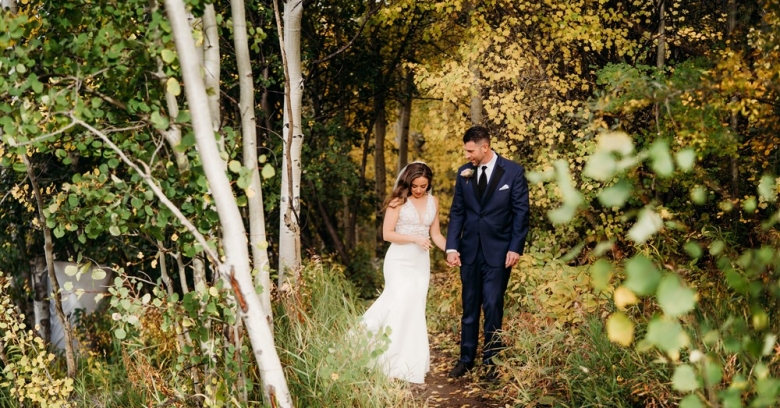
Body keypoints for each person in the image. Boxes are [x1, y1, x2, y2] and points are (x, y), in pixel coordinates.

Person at [445, 125, 530, 381]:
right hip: (469, 251)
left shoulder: (513, 172)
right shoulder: (464, 173)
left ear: (485, 147)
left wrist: (515, 247)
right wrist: (452, 247)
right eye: (465, 151)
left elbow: (521, 213)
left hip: (499, 252)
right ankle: (466, 359)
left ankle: (492, 362)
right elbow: (457, 211)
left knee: (493, 304)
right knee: (469, 306)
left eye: (470, 151)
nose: (467, 155)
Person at [360, 161, 447, 384]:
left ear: (429, 184)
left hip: (420, 262)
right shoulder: (397, 202)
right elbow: (387, 234)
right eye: (415, 186)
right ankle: (385, 361)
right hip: (399, 260)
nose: (418, 190)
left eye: (423, 186)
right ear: (407, 182)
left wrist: (452, 251)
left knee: (414, 307)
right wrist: (415, 238)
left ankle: (408, 362)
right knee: (399, 300)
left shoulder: (434, 202)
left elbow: (436, 235)